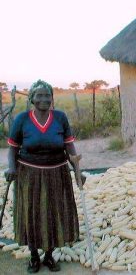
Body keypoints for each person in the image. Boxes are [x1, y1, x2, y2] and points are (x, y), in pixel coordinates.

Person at [4, 80, 80, 273]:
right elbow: (12, 149)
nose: (44, 99)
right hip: (29, 174)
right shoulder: (22, 119)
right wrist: (11, 168)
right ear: (32, 99)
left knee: (54, 213)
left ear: (52, 98)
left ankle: (49, 256)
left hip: (57, 173)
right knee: (32, 213)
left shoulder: (60, 118)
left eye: (47, 95)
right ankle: (34, 257)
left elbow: (69, 146)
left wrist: (78, 170)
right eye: (39, 95)